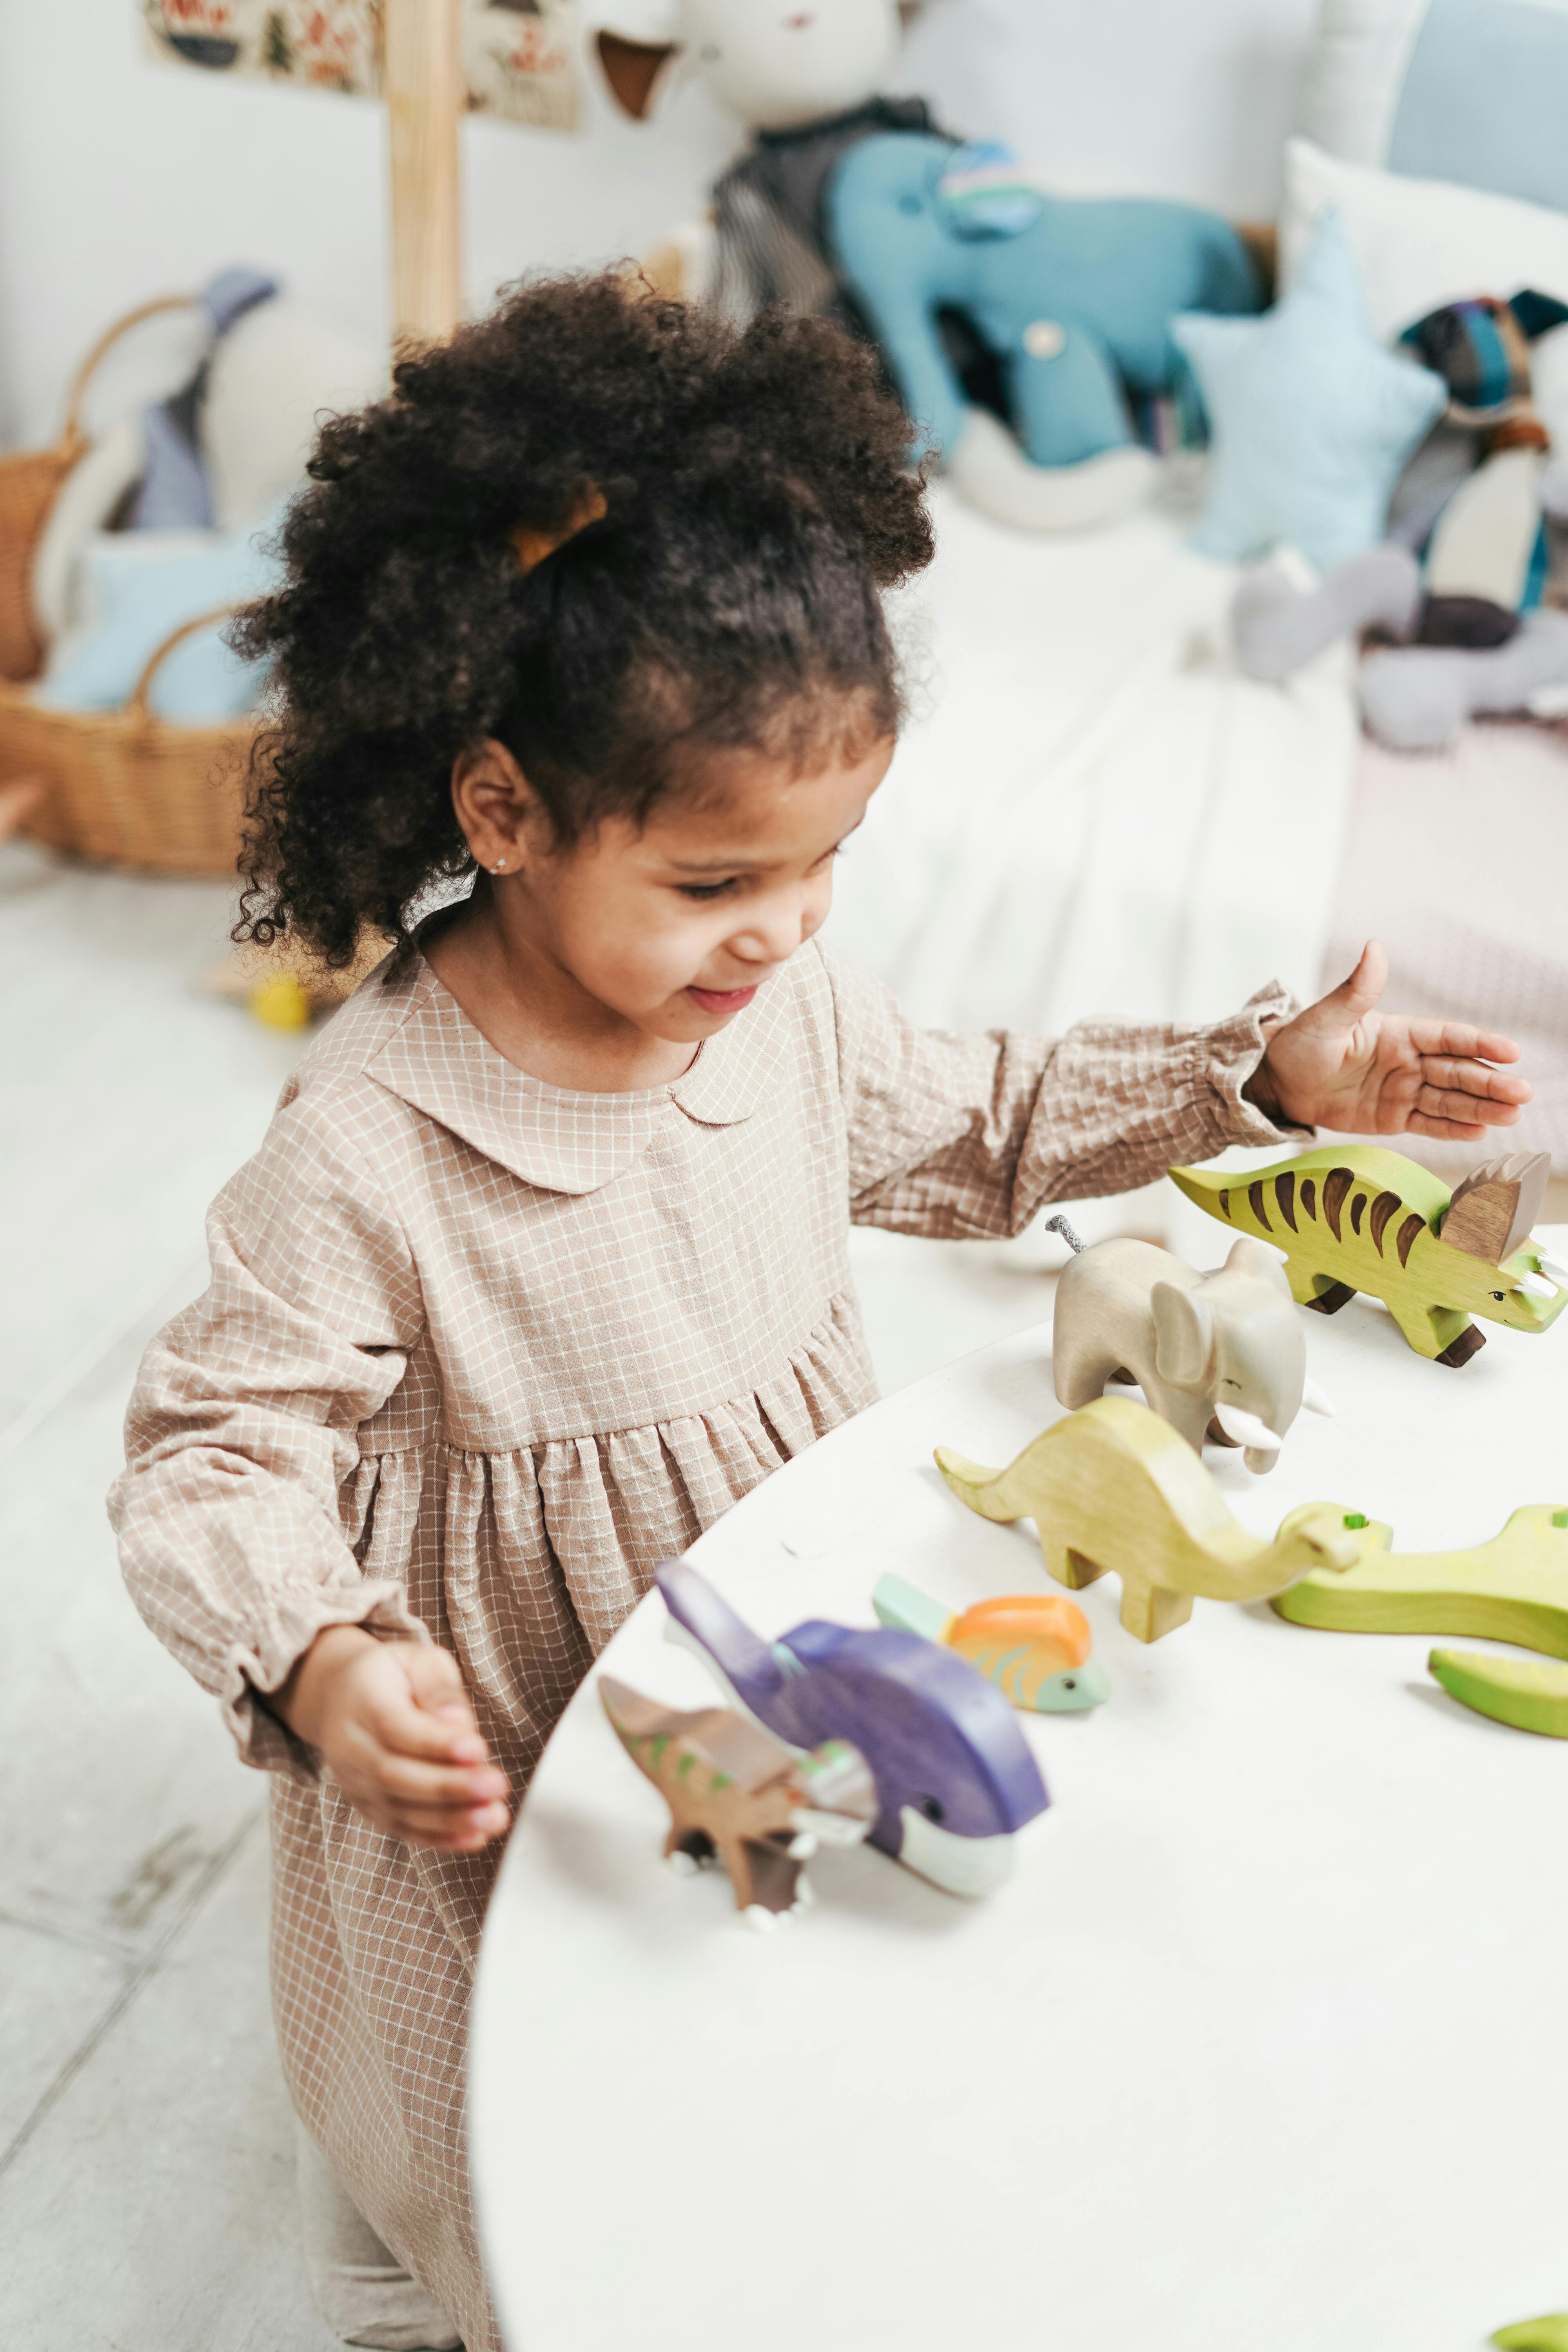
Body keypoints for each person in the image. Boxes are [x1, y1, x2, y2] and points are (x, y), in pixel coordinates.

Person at [109, 273, 1532, 2352]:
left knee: (801, 2037)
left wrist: (1265, 1080)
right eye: (710, 884)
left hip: (776, 1628)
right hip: (510, 1748)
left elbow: (993, 1113)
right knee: (540, 2160)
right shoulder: (372, 1146)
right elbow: (210, 1454)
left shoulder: (780, 1017)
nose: (778, 932)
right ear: (498, 811)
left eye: (829, 861)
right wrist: (318, 1653)